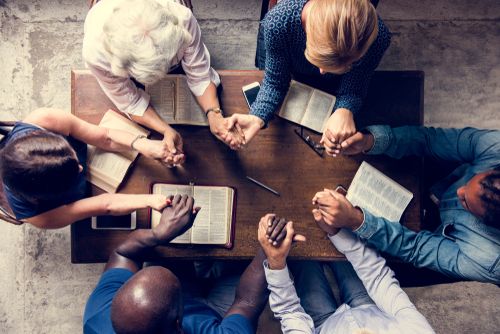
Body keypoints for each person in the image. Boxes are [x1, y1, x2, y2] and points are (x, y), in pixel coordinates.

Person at [313, 125, 500, 284]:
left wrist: (356, 220)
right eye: (468, 182)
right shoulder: (496, 147)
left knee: (381, 269)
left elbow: (415, 248)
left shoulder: (488, 260)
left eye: (466, 202)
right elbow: (429, 140)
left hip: (437, 241)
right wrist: (370, 141)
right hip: (439, 176)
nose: (459, 191)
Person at [83, 194, 269, 334]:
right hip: (218, 313)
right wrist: (269, 250)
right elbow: (246, 302)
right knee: (270, 272)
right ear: (179, 325)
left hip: (174, 310)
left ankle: (205, 270)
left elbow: (122, 253)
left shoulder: (98, 318)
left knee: (168, 254)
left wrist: (159, 234)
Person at [83, 0, 244, 153]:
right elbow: (131, 101)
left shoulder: (182, 18)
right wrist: (165, 129)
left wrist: (214, 114)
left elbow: (200, 74)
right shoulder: (95, 53)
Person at [230, 0, 391, 154]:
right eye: (319, 59)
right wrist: (257, 116)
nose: (322, 72)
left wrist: (345, 109)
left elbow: (356, 84)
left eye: (350, 63)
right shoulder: (278, 23)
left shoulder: (378, 38)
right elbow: (275, 81)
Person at [0, 108, 176, 229]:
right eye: (71, 174)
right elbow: (104, 205)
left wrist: (141, 144)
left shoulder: (43, 120)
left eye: (71, 155)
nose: (80, 167)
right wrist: (151, 200)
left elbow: (105, 137)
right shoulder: (39, 217)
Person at [258, 214, 435, 333]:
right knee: (335, 230)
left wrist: (276, 261)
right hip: (369, 305)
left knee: (300, 249)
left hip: (322, 324)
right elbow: (378, 277)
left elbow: (289, 311)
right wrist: (336, 231)